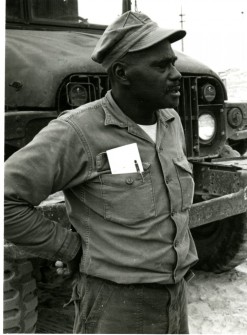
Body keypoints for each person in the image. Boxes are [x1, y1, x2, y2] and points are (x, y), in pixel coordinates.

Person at [4, 11, 198, 333]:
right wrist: (69, 248)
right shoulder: (77, 131)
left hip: (174, 297)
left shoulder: (170, 122)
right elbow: (6, 201)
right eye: (161, 66)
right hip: (115, 307)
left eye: (173, 63)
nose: (176, 74)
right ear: (122, 73)